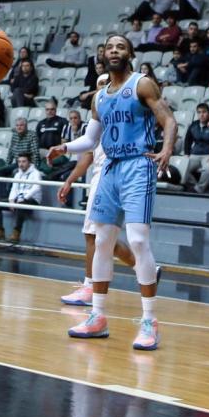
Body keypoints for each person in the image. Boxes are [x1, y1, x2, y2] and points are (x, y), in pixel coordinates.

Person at [47, 34, 176, 350]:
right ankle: (98, 317)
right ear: (102, 55)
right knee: (102, 241)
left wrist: (167, 149)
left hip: (138, 165)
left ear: (130, 53)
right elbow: (90, 141)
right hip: (110, 169)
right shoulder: (99, 97)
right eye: (109, 47)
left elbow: (169, 119)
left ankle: (149, 321)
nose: (114, 50)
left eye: (121, 46)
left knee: (138, 240)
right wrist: (64, 147)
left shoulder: (142, 84)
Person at [57, 72, 138, 308]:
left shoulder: (120, 114)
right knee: (103, 238)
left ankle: (89, 286)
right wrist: (70, 180)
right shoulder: (97, 121)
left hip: (111, 176)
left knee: (93, 235)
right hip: (99, 176)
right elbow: (87, 155)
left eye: (106, 85)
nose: (101, 89)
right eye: (98, 86)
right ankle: (145, 268)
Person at [0, 152, 41, 242]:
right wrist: (11, 200)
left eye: (23, 161)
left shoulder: (36, 173)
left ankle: (16, 232)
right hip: (18, 199)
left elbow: (36, 188)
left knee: (21, 205)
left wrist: (24, 198)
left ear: (29, 162)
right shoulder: (17, 174)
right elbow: (14, 189)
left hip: (32, 200)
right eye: (19, 162)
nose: (21, 164)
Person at [183, 103, 209, 191]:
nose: (202, 114)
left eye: (204, 112)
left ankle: (199, 189)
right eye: (199, 112)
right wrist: (187, 153)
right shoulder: (194, 125)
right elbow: (187, 140)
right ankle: (194, 184)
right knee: (182, 166)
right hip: (195, 154)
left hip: (208, 155)